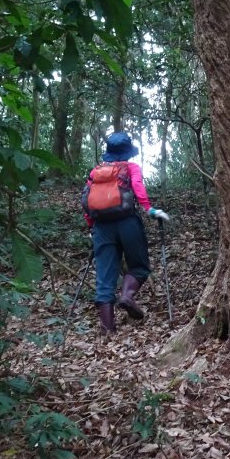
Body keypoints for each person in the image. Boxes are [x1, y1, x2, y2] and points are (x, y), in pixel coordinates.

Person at [81, 132, 170, 333]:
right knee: (139, 266)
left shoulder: (96, 172)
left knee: (104, 277)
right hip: (128, 223)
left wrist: (91, 227)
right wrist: (150, 210)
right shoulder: (131, 168)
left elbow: (86, 200)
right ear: (128, 152)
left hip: (101, 227)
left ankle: (107, 329)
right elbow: (138, 187)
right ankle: (127, 296)